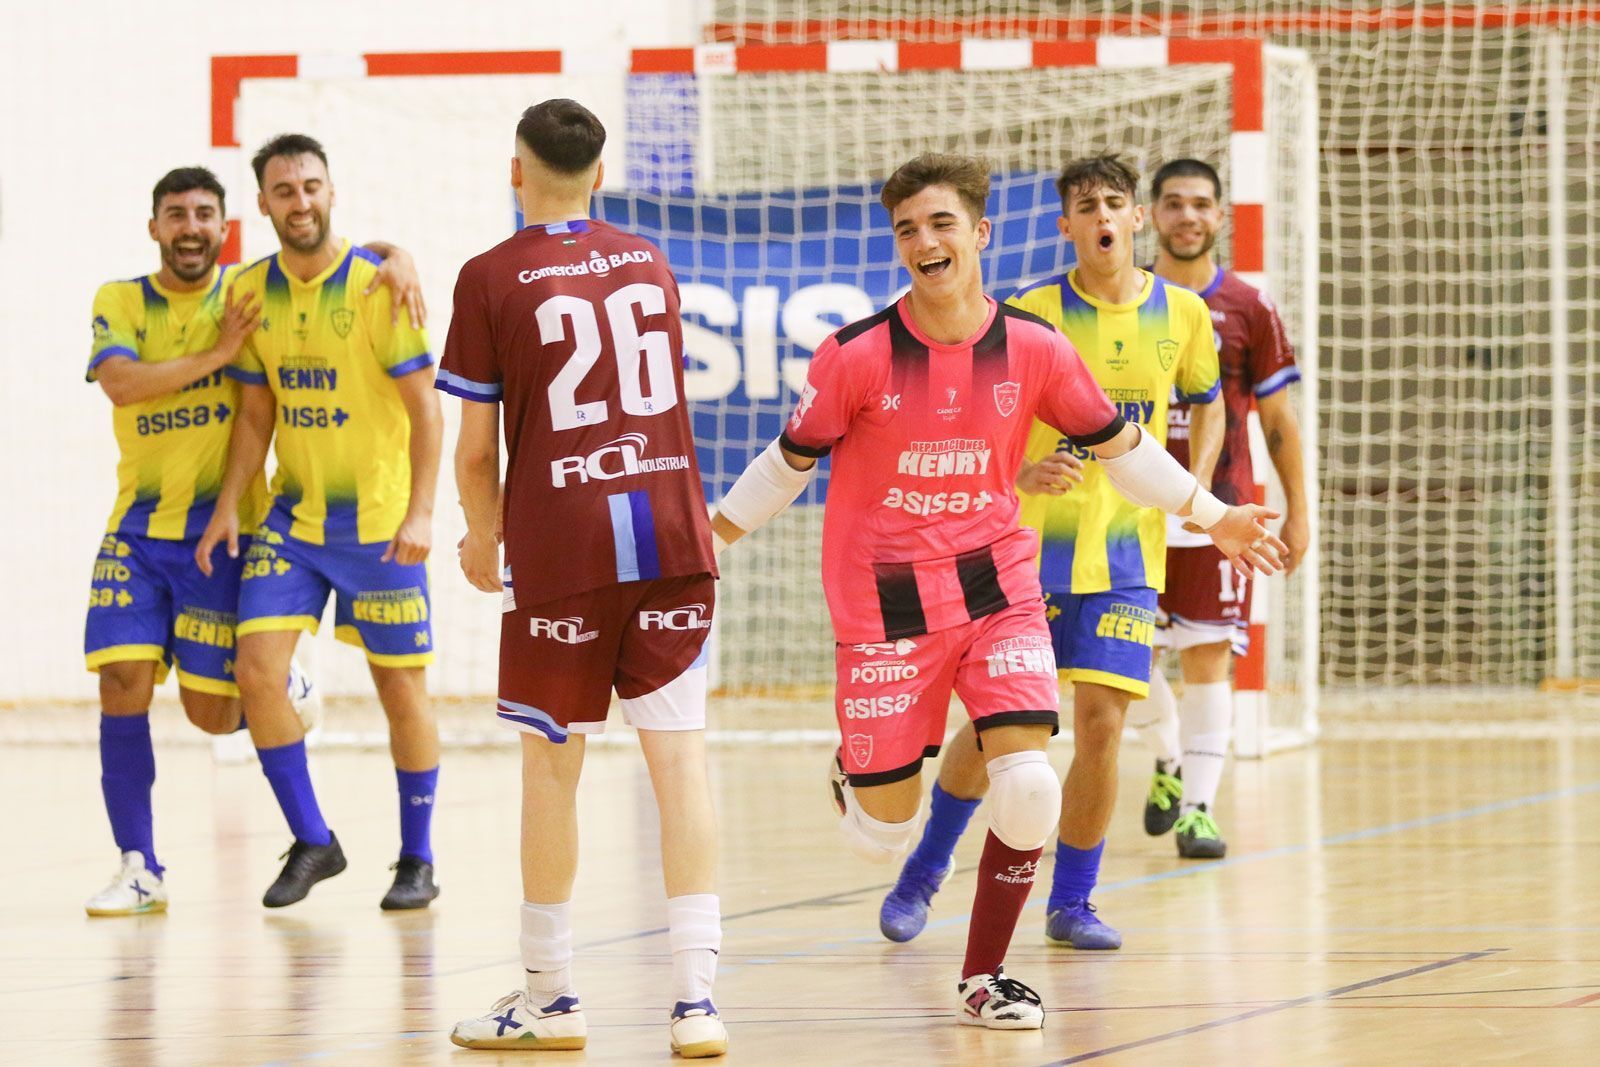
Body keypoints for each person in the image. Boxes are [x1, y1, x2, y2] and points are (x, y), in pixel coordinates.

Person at [711, 152, 1281, 1029]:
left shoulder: (1035, 347)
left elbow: (1122, 448)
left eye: (941, 223)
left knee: (1029, 782)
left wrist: (1215, 513)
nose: (923, 241)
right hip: (886, 599)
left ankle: (985, 975)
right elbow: (786, 466)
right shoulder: (856, 355)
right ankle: (861, 782)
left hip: (999, 584)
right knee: (881, 834)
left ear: (979, 234)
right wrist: (708, 537)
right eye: (907, 228)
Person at [875, 153, 1229, 952]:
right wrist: (1018, 467)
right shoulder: (1026, 314)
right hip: (1025, 553)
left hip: (1130, 559)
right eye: (1083, 205)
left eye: (1114, 202)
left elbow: (1209, 401)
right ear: (1064, 225)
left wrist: (1193, 489)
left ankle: (1073, 901)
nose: (1101, 215)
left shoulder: (1185, 314)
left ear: (1135, 219)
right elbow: (960, 420)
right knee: (1003, 729)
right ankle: (923, 872)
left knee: (1102, 723)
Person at [442, 99, 727, 1058]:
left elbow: (476, 448)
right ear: (600, 173)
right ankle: (696, 1001)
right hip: (674, 541)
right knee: (680, 760)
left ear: (513, 171)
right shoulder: (650, 261)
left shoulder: (488, 276)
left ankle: (551, 997)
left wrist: (481, 536)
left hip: (562, 551)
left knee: (551, 769)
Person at [83, 166, 421, 916]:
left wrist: (397, 255)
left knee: (211, 715)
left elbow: (326, 259)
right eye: (175, 214)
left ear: (226, 223)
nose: (190, 226)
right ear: (155, 229)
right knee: (120, 685)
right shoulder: (121, 299)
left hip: (219, 529)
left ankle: (285, 690)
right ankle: (140, 866)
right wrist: (212, 356)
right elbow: (122, 383)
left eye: (204, 213)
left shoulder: (249, 291)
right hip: (137, 531)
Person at [195, 134, 443, 911]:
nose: (299, 202)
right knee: (257, 669)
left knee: (399, 692)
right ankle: (314, 840)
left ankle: (417, 859)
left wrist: (425, 511)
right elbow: (257, 408)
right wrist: (234, 500)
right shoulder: (247, 291)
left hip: (380, 524)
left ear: (332, 192)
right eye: (283, 191)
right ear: (262, 204)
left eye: (311, 187)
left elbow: (426, 408)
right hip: (294, 523)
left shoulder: (378, 287)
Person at [1130, 158, 1309, 859]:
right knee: (1123, 659)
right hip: (1131, 509)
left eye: (1200, 204)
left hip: (1222, 510)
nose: (1187, 216)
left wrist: (1298, 511)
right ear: (1151, 214)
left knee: (1207, 657)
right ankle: (1170, 756)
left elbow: (1278, 421)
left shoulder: (1248, 306)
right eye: (1172, 203)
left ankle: (1199, 808)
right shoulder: (1127, 299)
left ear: (1219, 214)